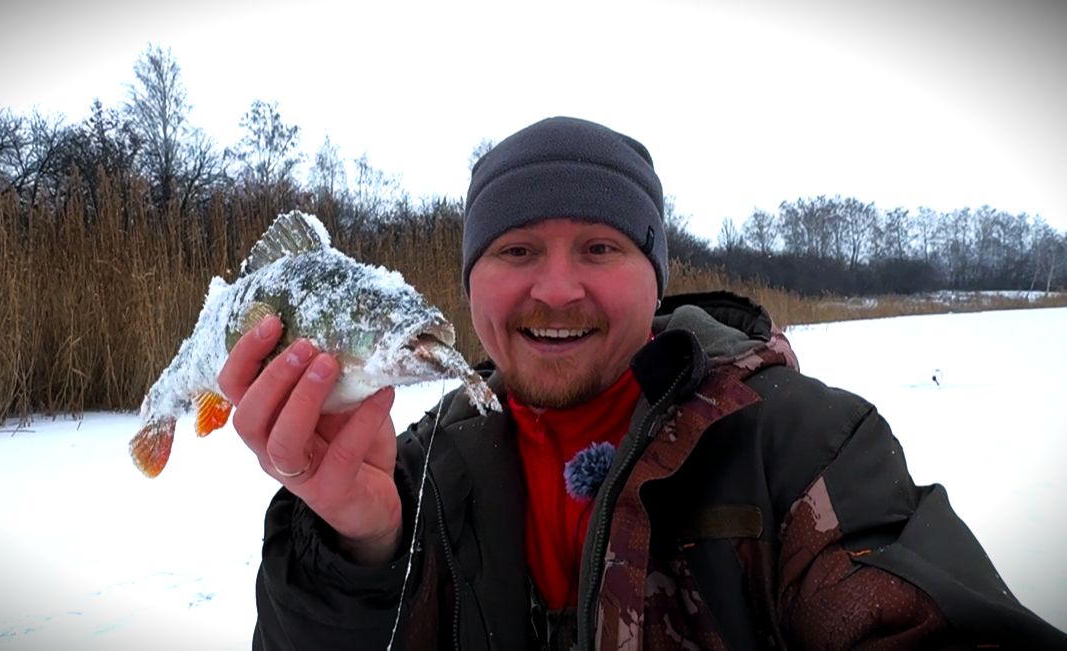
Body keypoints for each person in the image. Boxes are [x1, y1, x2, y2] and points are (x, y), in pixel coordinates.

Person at [218, 116, 1067, 650]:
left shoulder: (806, 446)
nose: (555, 288)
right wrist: (353, 551)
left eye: (599, 247)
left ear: (654, 276)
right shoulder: (409, 473)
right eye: (516, 251)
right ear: (470, 284)